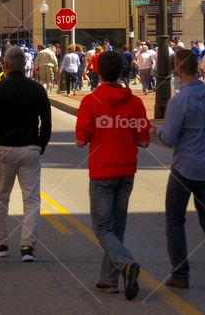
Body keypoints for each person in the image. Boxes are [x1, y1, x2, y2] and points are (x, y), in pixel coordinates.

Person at [156, 48, 205, 293]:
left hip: (184, 168)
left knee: (174, 220)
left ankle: (180, 274)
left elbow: (169, 137)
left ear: (179, 69)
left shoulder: (178, 99)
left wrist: (156, 131)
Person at [75, 50, 149, 300]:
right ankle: (108, 280)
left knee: (102, 228)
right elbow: (144, 140)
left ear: (98, 71)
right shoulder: (135, 102)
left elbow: (79, 140)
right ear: (121, 72)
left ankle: (126, 263)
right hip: (127, 169)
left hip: (102, 171)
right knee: (116, 227)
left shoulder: (91, 101)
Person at [0, 47, 51, 262]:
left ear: (5, 65)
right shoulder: (37, 89)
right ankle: (27, 247)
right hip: (30, 147)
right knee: (31, 198)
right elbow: (46, 121)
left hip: (4, 146)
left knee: (0, 197)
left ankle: (1, 243)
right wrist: (41, 144)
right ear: (24, 65)